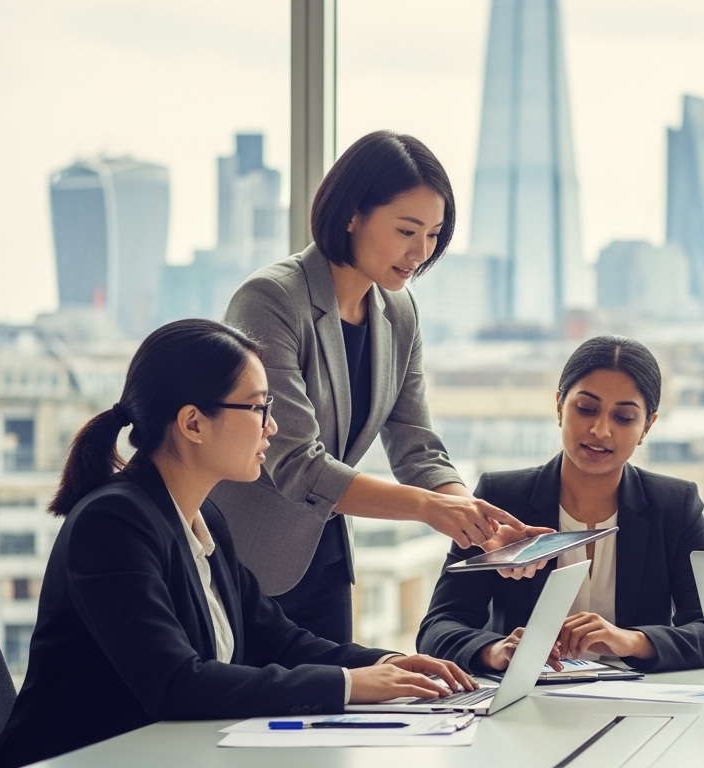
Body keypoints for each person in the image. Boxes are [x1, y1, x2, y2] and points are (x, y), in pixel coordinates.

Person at [0, 320, 476, 768]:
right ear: (192, 423)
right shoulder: (112, 524)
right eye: (258, 407)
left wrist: (385, 663)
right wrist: (349, 685)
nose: (272, 425)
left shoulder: (204, 517)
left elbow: (275, 637)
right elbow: (176, 683)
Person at [211, 131, 538, 644]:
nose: (420, 252)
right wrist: (430, 509)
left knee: (329, 717)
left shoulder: (398, 311)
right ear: (352, 215)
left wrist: (472, 520)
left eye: (433, 235)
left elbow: (415, 442)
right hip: (249, 564)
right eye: (407, 230)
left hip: (326, 562)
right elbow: (295, 462)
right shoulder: (270, 300)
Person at [418, 337, 704, 674]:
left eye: (624, 417)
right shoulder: (502, 497)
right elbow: (437, 628)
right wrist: (494, 650)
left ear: (647, 426)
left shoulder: (674, 506)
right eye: (586, 409)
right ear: (559, 406)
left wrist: (631, 641)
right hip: (530, 705)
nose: (600, 430)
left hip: (640, 708)